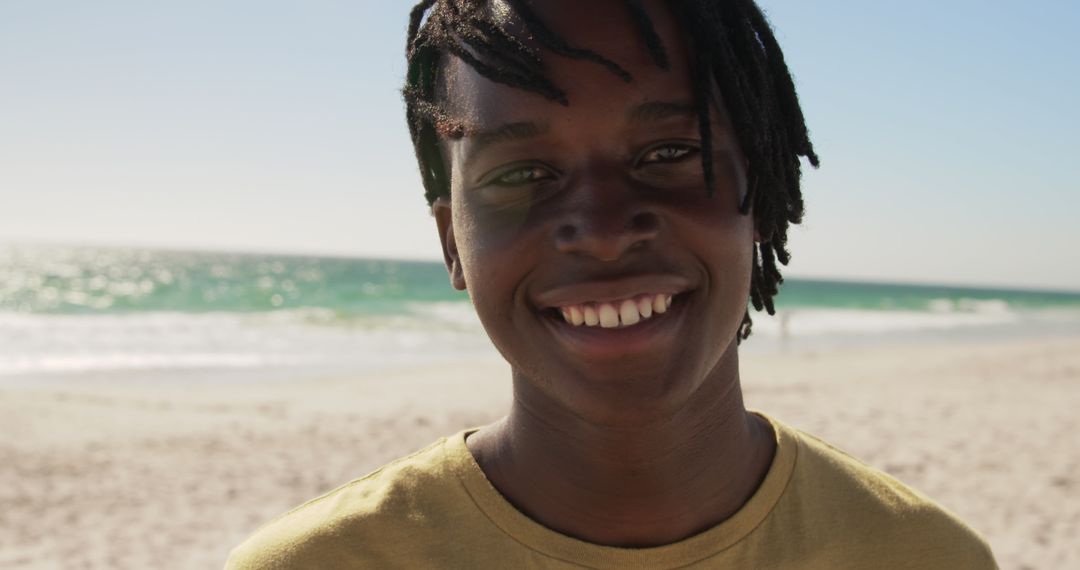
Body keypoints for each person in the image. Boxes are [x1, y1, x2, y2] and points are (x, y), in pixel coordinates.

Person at [226, 1, 998, 567]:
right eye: (523, 173)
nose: (599, 227)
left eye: (666, 154)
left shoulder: (920, 555)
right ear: (451, 243)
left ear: (760, 192)